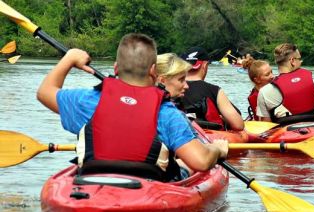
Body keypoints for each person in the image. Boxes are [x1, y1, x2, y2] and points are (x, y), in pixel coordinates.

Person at [36, 33, 228, 182]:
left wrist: (69, 59)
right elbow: (201, 161)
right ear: (154, 71)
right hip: (148, 188)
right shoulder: (166, 112)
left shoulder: (88, 100)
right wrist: (217, 150)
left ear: (116, 68)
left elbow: (44, 92)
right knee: (184, 163)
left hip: (91, 184)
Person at [180, 47, 244, 131]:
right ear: (205, 65)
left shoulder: (172, 89)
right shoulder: (214, 90)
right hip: (212, 139)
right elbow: (238, 125)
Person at [255, 43, 314, 124]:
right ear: (292, 61)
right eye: (299, 59)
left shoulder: (265, 91)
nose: (301, 61)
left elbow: (265, 127)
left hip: (285, 133)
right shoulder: (313, 81)